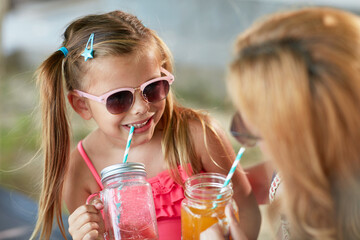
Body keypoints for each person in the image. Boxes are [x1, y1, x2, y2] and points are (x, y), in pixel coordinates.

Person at [30, 10, 261, 240]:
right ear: (82, 106)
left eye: (153, 87)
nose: (141, 107)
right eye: (119, 98)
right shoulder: (79, 172)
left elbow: (247, 207)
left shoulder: (197, 136)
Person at [202, 6, 360, 240]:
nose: (251, 136)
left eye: (261, 126)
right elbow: (273, 179)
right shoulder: (308, 164)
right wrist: (225, 186)